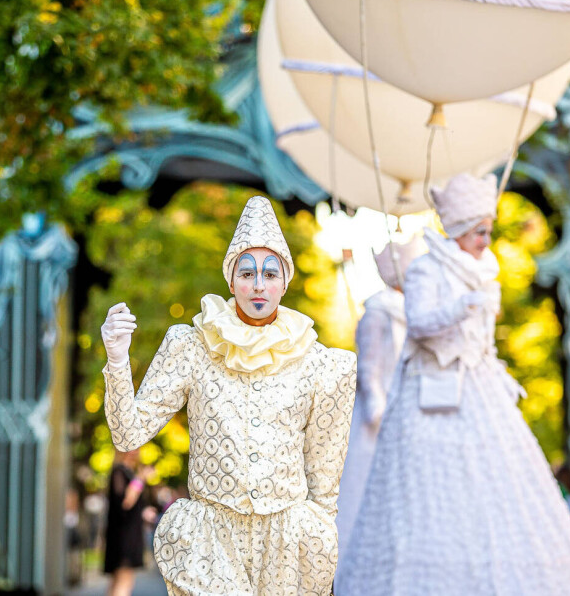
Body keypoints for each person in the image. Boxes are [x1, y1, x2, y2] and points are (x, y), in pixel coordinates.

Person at [335, 173, 570, 595]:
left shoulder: (485, 272)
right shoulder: (426, 269)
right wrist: (462, 306)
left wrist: (500, 375)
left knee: (501, 483)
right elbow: (421, 324)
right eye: (480, 230)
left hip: (478, 388)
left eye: (488, 230)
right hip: (430, 392)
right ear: (460, 229)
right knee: (427, 488)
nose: (486, 239)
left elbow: (483, 343)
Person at [100, 195, 356, 596]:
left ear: (285, 281)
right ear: (230, 278)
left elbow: (324, 481)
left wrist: (317, 547)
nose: (258, 285)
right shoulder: (192, 346)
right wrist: (117, 361)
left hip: (286, 548)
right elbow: (127, 435)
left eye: (270, 274)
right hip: (211, 541)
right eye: (247, 272)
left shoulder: (320, 364)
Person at [336, 237, 423, 569]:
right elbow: (369, 366)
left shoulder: (411, 313)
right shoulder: (377, 312)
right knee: (366, 486)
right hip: (379, 414)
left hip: (404, 410)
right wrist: (376, 404)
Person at [103, 450, 152, 596]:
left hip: (128, 534)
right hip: (123, 536)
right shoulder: (119, 472)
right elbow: (126, 502)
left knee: (120, 581)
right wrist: (140, 478)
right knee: (123, 580)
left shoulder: (128, 472)